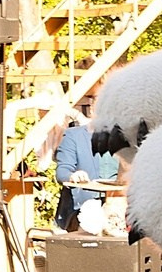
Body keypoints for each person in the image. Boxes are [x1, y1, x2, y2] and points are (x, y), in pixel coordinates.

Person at [51, 95, 120, 233]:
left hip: (118, 208)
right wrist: (72, 176)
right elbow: (62, 171)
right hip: (83, 210)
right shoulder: (74, 136)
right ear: (92, 110)